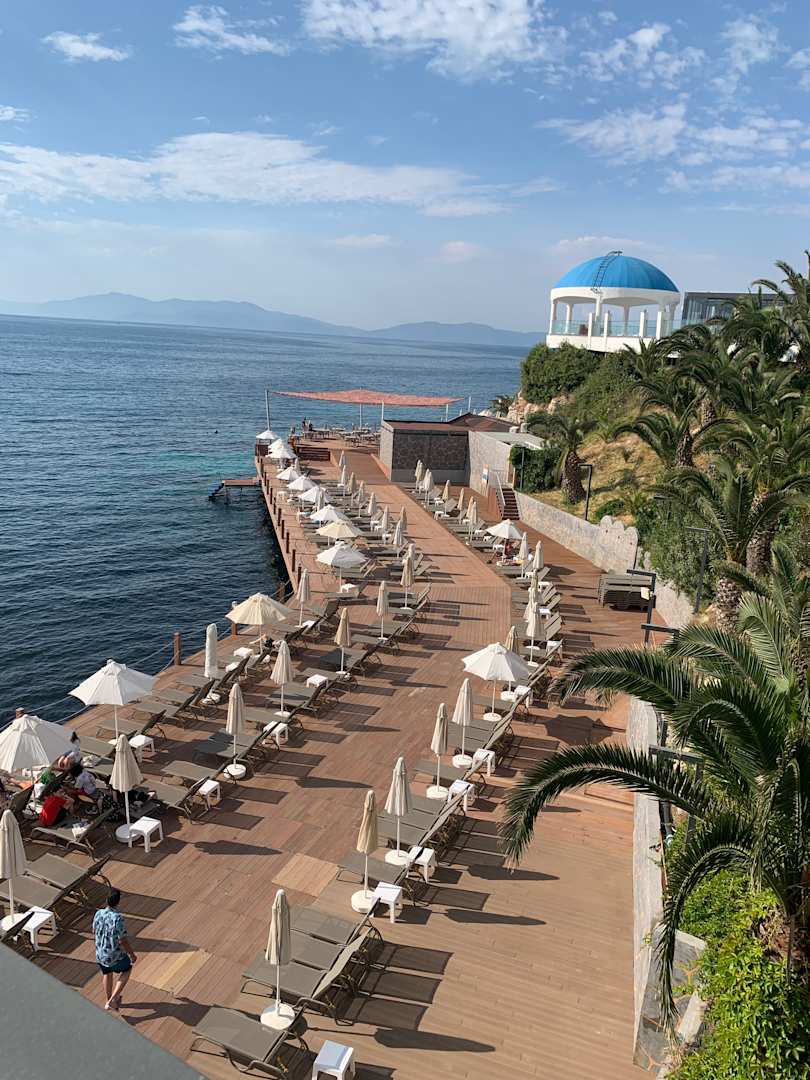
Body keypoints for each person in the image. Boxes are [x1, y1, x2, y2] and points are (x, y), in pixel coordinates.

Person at [93, 889, 137, 1011]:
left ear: (106, 900)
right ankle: (113, 999)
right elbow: (123, 940)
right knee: (127, 969)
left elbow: (94, 931)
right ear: (118, 902)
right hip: (113, 955)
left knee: (107, 973)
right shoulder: (117, 918)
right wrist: (131, 954)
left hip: (100, 953)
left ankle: (108, 1000)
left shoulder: (98, 913)